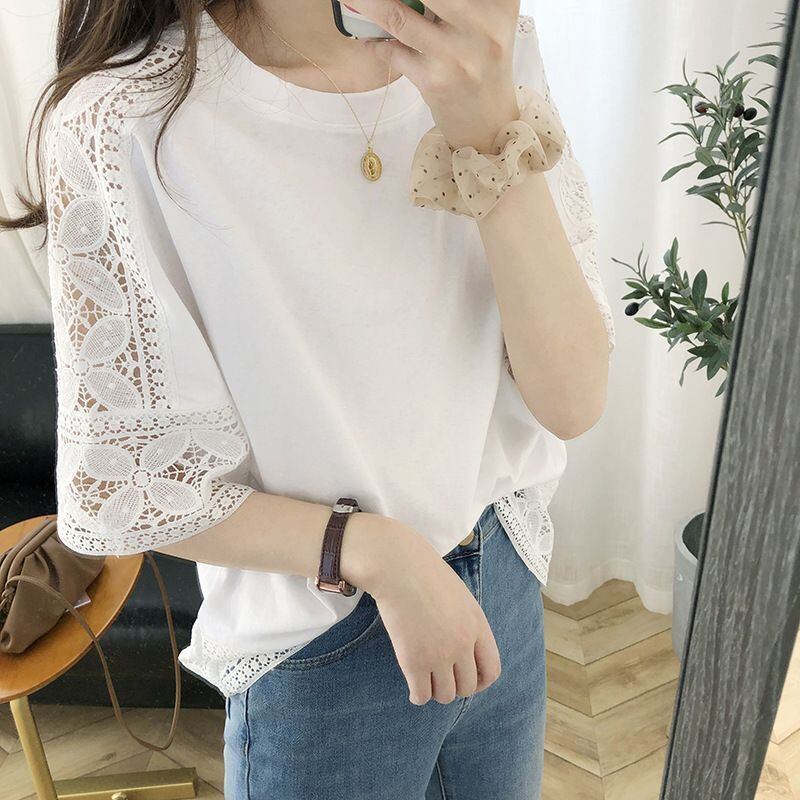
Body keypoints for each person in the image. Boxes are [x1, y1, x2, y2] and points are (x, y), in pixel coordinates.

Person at [1, 0, 615, 797]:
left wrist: (489, 128)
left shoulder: (483, 51)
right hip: (322, 641)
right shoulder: (125, 122)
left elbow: (573, 402)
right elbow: (131, 488)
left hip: (502, 577)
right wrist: (380, 554)